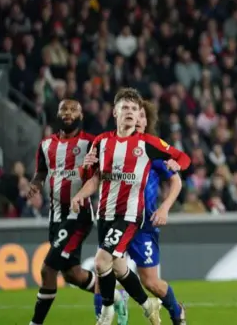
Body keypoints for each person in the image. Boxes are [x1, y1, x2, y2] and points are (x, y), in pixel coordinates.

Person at [71, 88, 191, 325]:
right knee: (112, 268)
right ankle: (145, 306)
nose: (132, 114)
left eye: (136, 110)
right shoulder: (102, 141)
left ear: (141, 118)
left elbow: (182, 163)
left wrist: (166, 203)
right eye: (126, 108)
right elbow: (92, 176)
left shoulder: (150, 148)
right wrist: (80, 188)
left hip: (139, 221)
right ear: (115, 112)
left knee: (136, 276)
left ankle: (172, 313)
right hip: (106, 215)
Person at [25, 98, 126, 325]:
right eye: (64, 109)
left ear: (81, 116)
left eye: (73, 110)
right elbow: (42, 172)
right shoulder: (46, 145)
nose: (68, 113)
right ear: (58, 114)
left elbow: (107, 168)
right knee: (73, 274)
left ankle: (35, 323)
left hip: (77, 216)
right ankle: (116, 295)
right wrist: (35, 184)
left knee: (48, 269)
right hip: (56, 216)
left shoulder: (92, 143)